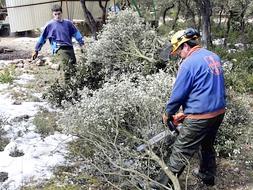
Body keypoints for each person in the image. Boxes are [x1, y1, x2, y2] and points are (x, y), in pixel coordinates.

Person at [155, 28, 226, 189]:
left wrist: (168, 113)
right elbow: (208, 90)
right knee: (207, 145)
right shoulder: (213, 56)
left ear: (185, 46)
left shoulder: (188, 64)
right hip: (218, 113)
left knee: (180, 151)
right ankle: (207, 176)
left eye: (178, 51)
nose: (179, 54)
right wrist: (186, 113)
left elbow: (178, 95)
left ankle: (159, 186)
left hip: (200, 117)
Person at [32, 4, 84, 84]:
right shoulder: (49, 25)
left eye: (59, 14)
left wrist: (82, 44)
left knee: (73, 66)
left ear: (61, 13)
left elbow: (76, 34)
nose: (57, 16)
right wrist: (36, 50)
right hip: (59, 48)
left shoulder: (68, 23)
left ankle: (69, 85)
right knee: (66, 68)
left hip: (69, 47)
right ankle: (66, 89)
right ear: (53, 14)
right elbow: (42, 38)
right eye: (55, 14)